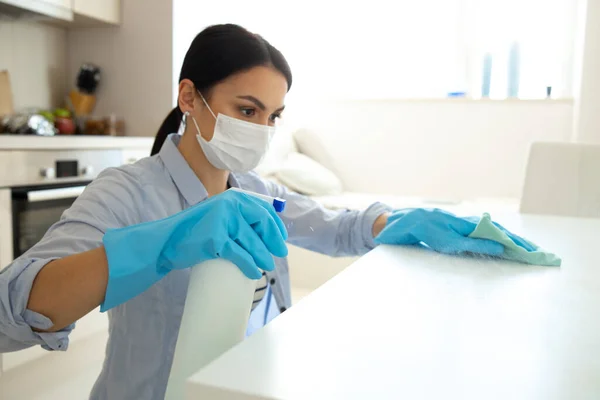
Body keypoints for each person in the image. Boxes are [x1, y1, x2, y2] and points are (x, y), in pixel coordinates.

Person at [0, 24, 529, 399]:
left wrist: (402, 221)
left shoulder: (253, 189)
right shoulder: (127, 192)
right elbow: (12, 312)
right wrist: (164, 241)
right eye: (246, 110)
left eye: (273, 115)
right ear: (190, 98)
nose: (262, 129)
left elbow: (337, 225)